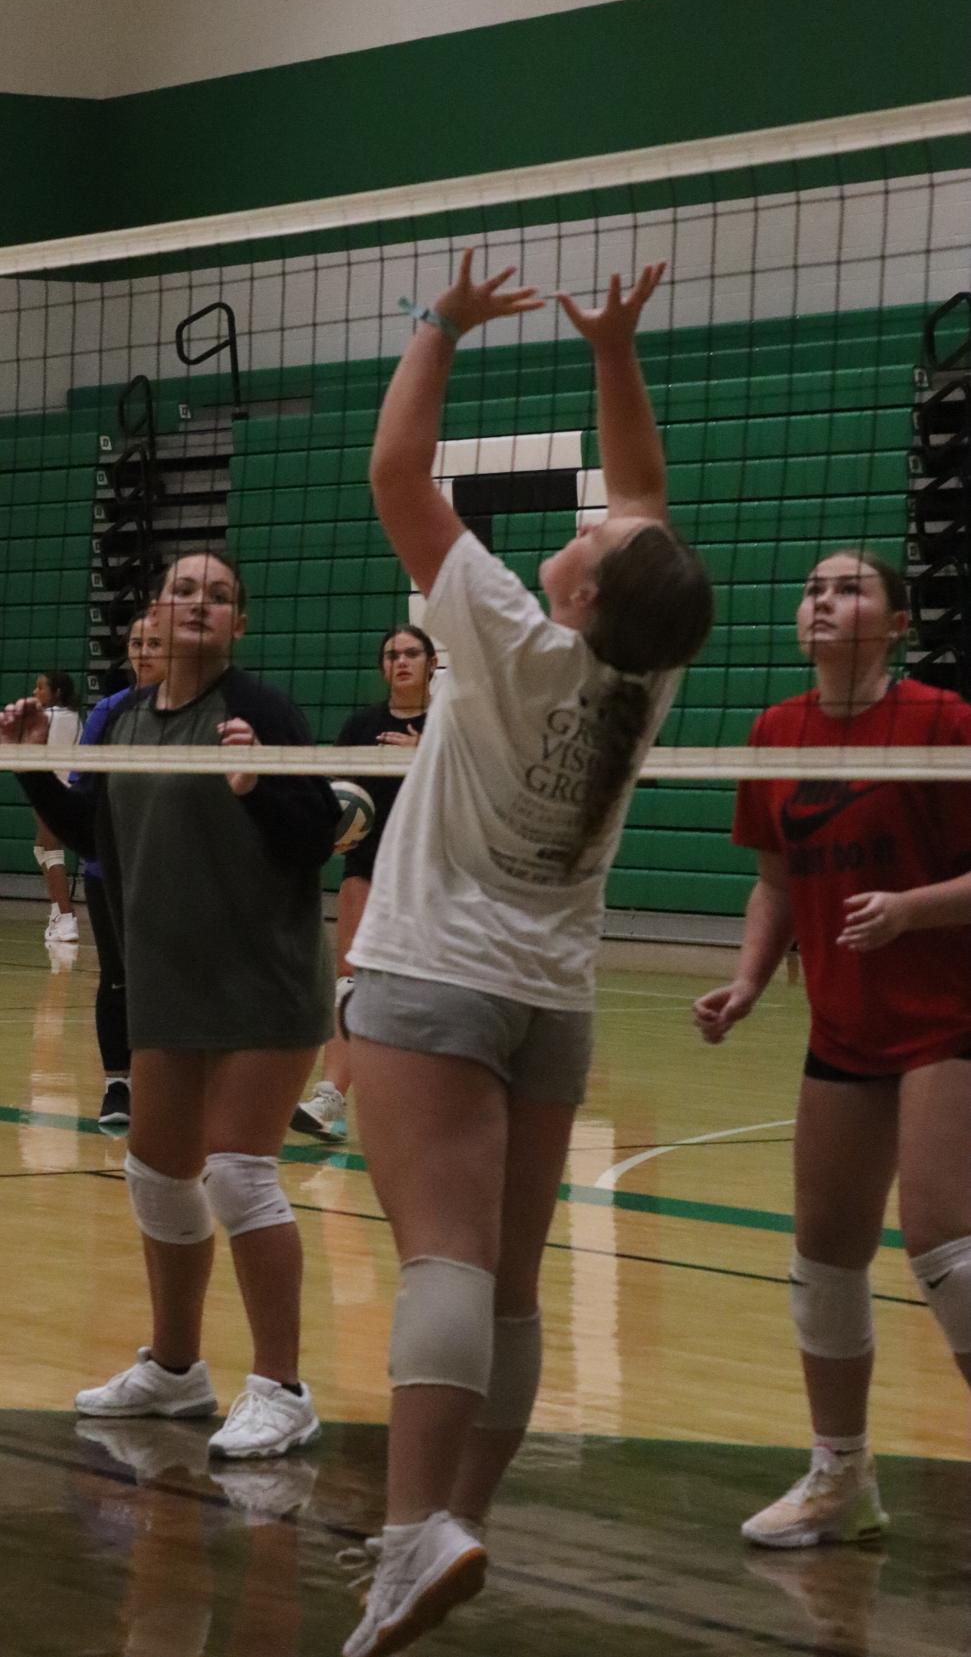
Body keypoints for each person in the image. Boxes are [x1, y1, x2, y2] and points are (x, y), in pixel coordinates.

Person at [337, 250, 714, 1657]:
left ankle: (408, 1532)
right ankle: (450, 1524)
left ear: (580, 597)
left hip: (430, 975)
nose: (592, 528)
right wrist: (611, 352)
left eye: (595, 546)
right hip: (549, 1003)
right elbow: (645, 509)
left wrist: (438, 324)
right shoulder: (641, 665)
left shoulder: (503, 626)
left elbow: (396, 473)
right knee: (502, 1280)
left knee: (438, 1261)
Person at [1, 549, 341, 1461]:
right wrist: (34, 766)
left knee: (237, 1171)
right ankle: (177, 1369)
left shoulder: (258, 712)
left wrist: (259, 785)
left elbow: (317, 838)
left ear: (239, 623)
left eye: (219, 594)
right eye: (184, 589)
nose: (198, 602)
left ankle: (282, 1388)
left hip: (262, 982)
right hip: (168, 982)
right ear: (156, 608)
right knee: (157, 1174)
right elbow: (89, 833)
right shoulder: (122, 723)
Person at [693, 551, 971, 1548]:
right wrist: (748, 981)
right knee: (821, 1256)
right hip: (843, 1024)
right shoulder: (776, 732)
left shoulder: (941, 723)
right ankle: (838, 1479)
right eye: (809, 587)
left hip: (950, 1013)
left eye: (847, 589)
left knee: (942, 1245)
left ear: (894, 625)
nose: (819, 600)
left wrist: (910, 910)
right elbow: (774, 879)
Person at [291, 623, 437, 1141]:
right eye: (392, 654)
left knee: (421, 994)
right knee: (349, 987)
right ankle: (329, 1097)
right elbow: (333, 795)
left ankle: (417, 1101)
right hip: (368, 867)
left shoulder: (450, 726)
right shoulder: (361, 726)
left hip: (433, 874)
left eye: (411, 653)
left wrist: (429, 756)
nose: (401, 661)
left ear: (430, 663)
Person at [76, 616, 166, 1134]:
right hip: (109, 867)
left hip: (172, 869)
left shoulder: (200, 712)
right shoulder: (109, 712)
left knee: (170, 975)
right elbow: (82, 787)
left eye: (155, 643)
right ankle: (118, 1084)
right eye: (136, 643)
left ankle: (170, 1084)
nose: (145, 651)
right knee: (117, 974)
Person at [32, 668, 82, 944]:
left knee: (52, 851)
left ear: (57, 692)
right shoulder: (73, 716)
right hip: (66, 789)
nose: (34, 692)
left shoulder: (47, 717)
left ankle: (66, 918)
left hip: (51, 791)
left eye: (40, 687)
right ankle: (57, 912)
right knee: (41, 848)